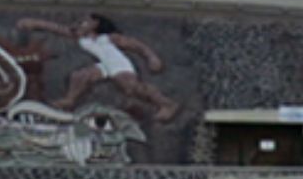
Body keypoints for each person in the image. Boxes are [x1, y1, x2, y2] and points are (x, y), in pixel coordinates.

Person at [15, 13, 181, 122]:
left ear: (95, 23)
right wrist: (34, 23)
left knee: (132, 88)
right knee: (80, 76)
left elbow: (136, 45)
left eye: (85, 22)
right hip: (104, 65)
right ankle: (70, 100)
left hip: (117, 64)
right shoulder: (81, 37)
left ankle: (167, 103)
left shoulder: (109, 38)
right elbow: (56, 28)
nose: (81, 24)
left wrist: (152, 58)